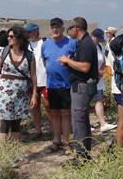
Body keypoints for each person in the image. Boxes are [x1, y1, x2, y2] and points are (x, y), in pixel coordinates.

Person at [58, 17, 98, 165]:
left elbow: (85, 67)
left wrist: (67, 61)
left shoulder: (86, 44)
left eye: (70, 28)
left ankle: (80, 158)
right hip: (81, 86)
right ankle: (85, 155)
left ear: (76, 28)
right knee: (82, 121)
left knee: (78, 122)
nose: (69, 31)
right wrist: (69, 64)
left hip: (81, 88)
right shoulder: (83, 43)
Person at [0, 26, 38, 142]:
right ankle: (3, 154)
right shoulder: (3, 52)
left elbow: (33, 76)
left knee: (17, 124)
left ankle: (14, 153)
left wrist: (34, 94)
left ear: (19, 38)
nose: (9, 38)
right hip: (4, 94)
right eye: (8, 36)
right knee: (5, 123)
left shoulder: (29, 55)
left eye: (11, 36)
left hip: (21, 94)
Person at [41, 18, 76, 152]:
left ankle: (67, 142)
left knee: (66, 113)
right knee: (54, 113)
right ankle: (57, 140)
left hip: (66, 85)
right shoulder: (45, 45)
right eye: (52, 27)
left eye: (57, 27)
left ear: (62, 28)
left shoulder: (71, 43)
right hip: (52, 85)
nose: (55, 29)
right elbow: (45, 63)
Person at [25, 23, 52, 139]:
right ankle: (38, 131)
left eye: (29, 32)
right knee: (34, 106)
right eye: (26, 32)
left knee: (48, 105)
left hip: (45, 80)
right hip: (32, 82)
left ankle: (54, 129)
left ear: (36, 31)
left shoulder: (45, 43)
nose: (27, 34)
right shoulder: (25, 45)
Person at [90, 28, 117, 132]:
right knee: (86, 102)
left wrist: (101, 72)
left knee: (99, 99)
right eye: (97, 38)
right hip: (89, 78)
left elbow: (103, 60)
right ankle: (86, 125)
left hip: (99, 78)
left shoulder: (99, 46)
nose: (98, 41)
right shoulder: (87, 46)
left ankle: (103, 123)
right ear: (92, 36)